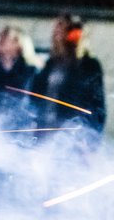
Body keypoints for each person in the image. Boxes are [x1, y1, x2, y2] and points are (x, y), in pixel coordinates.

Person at [28, 13, 106, 148]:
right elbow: (36, 97)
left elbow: (97, 105)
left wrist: (90, 140)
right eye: (56, 29)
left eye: (61, 28)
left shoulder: (88, 66)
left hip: (73, 138)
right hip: (45, 136)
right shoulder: (51, 64)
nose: (56, 33)